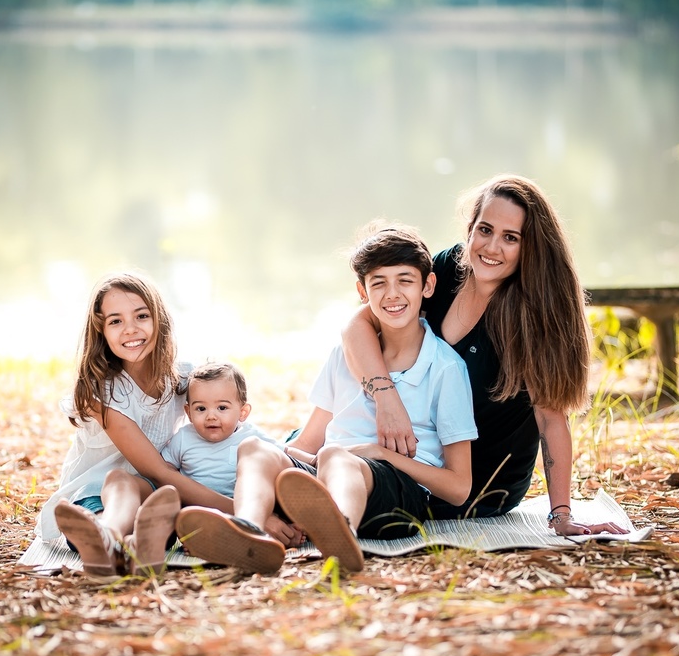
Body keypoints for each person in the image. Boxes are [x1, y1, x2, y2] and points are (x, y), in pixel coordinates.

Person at [175, 223, 477, 573]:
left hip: (397, 492)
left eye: (405, 280)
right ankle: (249, 531)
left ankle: (339, 534)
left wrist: (379, 453)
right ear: (362, 291)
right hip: (325, 476)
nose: (392, 293)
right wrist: (283, 459)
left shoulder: (444, 368)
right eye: (379, 282)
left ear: (428, 286)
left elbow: (458, 488)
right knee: (255, 449)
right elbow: (310, 439)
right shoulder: (344, 355)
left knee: (336, 457)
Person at [341, 174, 627, 536]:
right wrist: (387, 399)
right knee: (308, 454)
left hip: (473, 483)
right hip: (416, 448)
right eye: (485, 230)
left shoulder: (535, 315)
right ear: (470, 228)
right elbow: (357, 324)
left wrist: (561, 514)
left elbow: (551, 420)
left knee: (350, 473)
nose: (492, 247)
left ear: (530, 247)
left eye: (511, 238)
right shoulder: (447, 269)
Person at [34, 273, 297, 578]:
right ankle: (106, 536)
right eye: (116, 321)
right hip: (102, 492)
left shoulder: (181, 377)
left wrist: (262, 501)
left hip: (160, 493)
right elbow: (157, 469)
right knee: (119, 481)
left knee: (165, 503)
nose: (131, 329)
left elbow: (227, 413)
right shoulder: (102, 392)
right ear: (101, 329)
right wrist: (248, 515)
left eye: (141, 316)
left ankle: (141, 543)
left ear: (159, 319)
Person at [161, 361, 281, 499]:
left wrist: (310, 460)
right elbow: (166, 468)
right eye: (201, 409)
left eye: (222, 408)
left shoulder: (250, 435)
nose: (211, 416)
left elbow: (284, 452)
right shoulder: (184, 437)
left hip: (241, 503)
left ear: (243, 412)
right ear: (189, 413)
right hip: (194, 503)